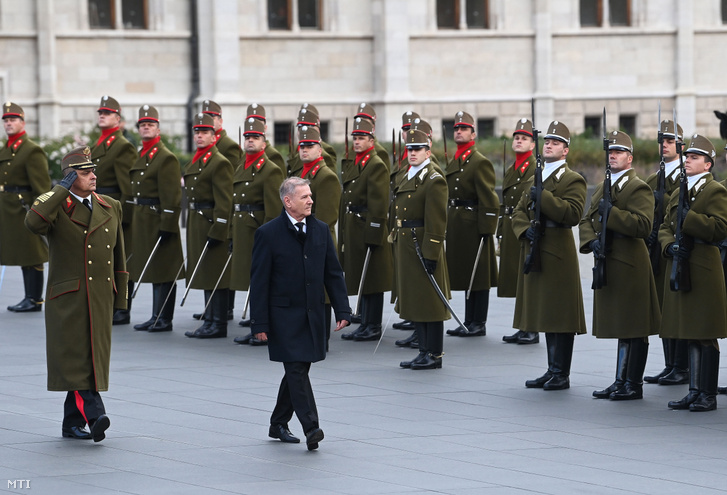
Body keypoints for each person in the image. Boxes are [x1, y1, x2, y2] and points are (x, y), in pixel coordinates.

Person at [25, 145, 127, 442]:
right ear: (70, 178)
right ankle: (95, 415)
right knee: (77, 358)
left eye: (93, 170)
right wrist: (61, 190)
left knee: (89, 358)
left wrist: (120, 299)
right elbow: (33, 223)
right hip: (68, 298)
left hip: (99, 296)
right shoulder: (55, 206)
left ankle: (71, 423)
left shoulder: (110, 205)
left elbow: (118, 255)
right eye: (85, 173)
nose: (93, 176)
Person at [250, 177, 351, 451]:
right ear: (287, 201)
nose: (310, 200)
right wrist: (259, 322)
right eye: (304, 196)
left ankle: (278, 422)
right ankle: (311, 427)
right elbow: (258, 282)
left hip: (313, 312)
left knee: (299, 367)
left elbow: (332, 272)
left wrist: (343, 309)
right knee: (295, 368)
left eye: (310, 196)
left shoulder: (320, 230)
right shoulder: (268, 234)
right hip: (282, 315)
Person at [579, 131, 661, 400]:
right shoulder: (604, 185)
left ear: (630, 158)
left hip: (631, 263)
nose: (612, 155)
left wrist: (611, 214)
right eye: (610, 152)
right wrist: (592, 242)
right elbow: (587, 220)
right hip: (609, 261)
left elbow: (643, 226)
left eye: (618, 152)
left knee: (634, 326)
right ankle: (619, 380)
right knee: (621, 324)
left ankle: (633, 384)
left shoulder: (638, 187)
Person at [511, 121, 587, 390]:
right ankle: (551, 369)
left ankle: (561, 373)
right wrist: (523, 230)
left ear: (565, 150)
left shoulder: (572, 179)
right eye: (547, 142)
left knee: (560, 315)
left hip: (558, 251)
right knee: (545, 312)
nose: (549, 146)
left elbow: (572, 214)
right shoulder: (536, 176)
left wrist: (543, 197)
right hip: (536, 248)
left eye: (555, 143)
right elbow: (519, 212)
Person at [660, 134, 727, 412]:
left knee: (705, 332)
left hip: (704, 266)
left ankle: (707, 394)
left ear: (708, 165)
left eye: (694, 158)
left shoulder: (716, 191)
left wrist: (689, 219)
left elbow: (720, 228)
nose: (687, 161)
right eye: (687, 157)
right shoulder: (679, 191)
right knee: (688, 330)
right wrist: (670, 246)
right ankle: (694, 390)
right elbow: (664, 226)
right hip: (682, 263)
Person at [393, 129, 450, 370]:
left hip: (423, 245)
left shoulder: (434, 179)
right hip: (407, 245)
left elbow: (436, 220)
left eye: (417, 149)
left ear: (428, 151)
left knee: (431, 302)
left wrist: (431, 253)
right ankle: (423, 350)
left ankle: (434, 355)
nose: (413, 153)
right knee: (417, 300)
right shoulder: (409, 175)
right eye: (410, 149)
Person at [128, 105, 185, 332]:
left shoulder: (165, 157)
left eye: (150, 124)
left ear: (158, 128)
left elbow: (172, 196)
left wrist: (168, 224)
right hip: (143, 219)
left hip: (159, 219)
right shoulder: (143, 153)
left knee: (164, 269)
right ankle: (155, 315)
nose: (146, 128)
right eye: (143, 125)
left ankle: (164, 318)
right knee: (153, 268)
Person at [444, 111, 499, 338]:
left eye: (464, 129)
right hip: (459, 224)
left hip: (474, 225)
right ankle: (468, 320)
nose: (459, 131)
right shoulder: (456, 159)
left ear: (473, 133)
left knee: (479, 275)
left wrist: (487, 230)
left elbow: (489, 198)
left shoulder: (479, 162)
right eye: (456, 128)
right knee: (468, 273)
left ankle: (479, 322)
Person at [643, 120, 689, 386]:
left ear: (680, 145)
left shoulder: (686, 175)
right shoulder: (653, 179)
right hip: (656, 248)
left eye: (670, 141)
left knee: (676, 306)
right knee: (662, 305)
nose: (665, 145)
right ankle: (670, 364)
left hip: (676, 248)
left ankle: (681, 366)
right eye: (662, 141)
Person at [338, 117, 393, 342]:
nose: (357, 142)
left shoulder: (376, 164)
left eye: (362, 138)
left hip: (367, 227)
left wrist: (373, 233)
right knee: (363, 276)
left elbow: (379, 204)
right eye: (355, 138)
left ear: (371, 140)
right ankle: (365, 323)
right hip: (355, 227)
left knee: (372, 279)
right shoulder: (358, 162)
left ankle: (373, 325)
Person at [230, 117, 283, 346]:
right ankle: (256, 326)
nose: (250, 141)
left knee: (263, 282)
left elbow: (273, 209)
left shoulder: (270, 169)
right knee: (253, 280)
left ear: (264, 141)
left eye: (255, 137)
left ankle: (264, 330)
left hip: (259, 231)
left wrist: (270, 239)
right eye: (248, 137)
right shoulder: (243, 165)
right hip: (244, 229)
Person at [182, 113, 233, 339]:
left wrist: (219, 228)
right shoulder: (198, 158)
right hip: (197, 222)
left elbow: (224, 201)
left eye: (205, 132)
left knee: (216, 274)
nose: (200, 136)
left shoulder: (219, 161)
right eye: (197, 132)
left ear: (214, 136)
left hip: (211, 222)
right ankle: (209, 320)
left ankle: (219, 323)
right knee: (204, 272)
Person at [90, 95, 137, 325]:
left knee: (120, 261)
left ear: (117, 118)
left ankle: (122, 309)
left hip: (113, 210)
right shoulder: (101, 143)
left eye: (107, 113)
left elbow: (127, 187)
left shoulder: (122, 146)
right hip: (99, 206)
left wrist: (124, 218)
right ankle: (109, 305)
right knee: (103, 259)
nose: (102, 116)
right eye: (100, 113)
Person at [1, 102, 51, 312]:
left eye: (13, 120)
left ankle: (34, 299)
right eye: (6, 120)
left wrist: (40, 214)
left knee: (32, 253)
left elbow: (42, 187)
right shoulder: (7, 148)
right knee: (21, 252)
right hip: (7, 209)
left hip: (24, 209)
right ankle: (28, 297)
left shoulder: (31, 150)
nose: (8, 123)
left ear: (23, 122)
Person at [500, 119, 537, 344]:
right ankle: (523, 325)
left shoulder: (534, 167)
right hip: (512, 226)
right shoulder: (512, 169)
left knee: (528, 278)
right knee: (518, 280)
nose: (519, 140)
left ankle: (532, 327)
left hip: (526, 226)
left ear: (533, 145)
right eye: (516, 137)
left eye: (524, 138)